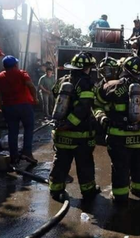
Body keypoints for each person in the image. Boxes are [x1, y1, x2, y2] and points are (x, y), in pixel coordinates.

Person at [93, 56, 140, 204]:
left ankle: (120, 197)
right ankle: (139, 190)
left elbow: (97, 104)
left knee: (120, 168)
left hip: (119, 138)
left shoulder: (110, 86)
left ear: (123, 69)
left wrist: (103, 118)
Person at [49, 52, 100, 202]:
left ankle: (55, 188)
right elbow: (83, 108)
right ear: (87, 68)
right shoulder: (86, 83)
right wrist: (70, 124)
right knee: (84, 163)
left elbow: (55, 97)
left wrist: (63, 124)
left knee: (60, 161)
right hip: (80, 134)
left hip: (61, 131)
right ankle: (88, 190)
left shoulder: (62, 80)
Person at [0, 55, 38, 165]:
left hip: (8, 107)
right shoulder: (22, 73)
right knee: (28, 128)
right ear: (15, 65)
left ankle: (14, 157)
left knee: (13, 131)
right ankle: (27, 152)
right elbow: (31, 86)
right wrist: (35, 99)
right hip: (24, 106)